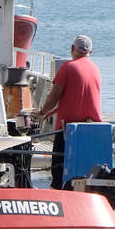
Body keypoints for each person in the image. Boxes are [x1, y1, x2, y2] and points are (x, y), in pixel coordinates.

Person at [38, 34, 102, 190]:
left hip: (68, 131)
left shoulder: (68, 67)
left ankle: (56, 199)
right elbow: (77, 99)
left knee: (58, 170)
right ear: (90, 52)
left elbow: (54, 95)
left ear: (72, 49)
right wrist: (52, 112)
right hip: (91, 130)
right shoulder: (95, 70)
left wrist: (41, 112)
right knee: (85, 172)